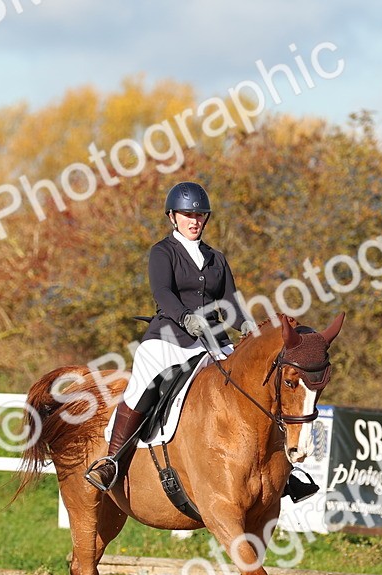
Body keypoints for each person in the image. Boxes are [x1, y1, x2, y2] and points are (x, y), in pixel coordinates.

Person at [85, 181, 257, 491]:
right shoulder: (163, 252)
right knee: (142, 384)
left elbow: (230, 301)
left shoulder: (216, 258)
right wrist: (185, 317)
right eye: (187, 215)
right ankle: (111, 462)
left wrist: (246, 326)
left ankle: (276, 470)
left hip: (213, 341)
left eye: (200, 215)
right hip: (168, 337)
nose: (195, 221)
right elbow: (161, 291)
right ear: (172, 217)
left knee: (250, 384)